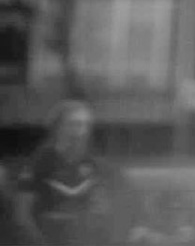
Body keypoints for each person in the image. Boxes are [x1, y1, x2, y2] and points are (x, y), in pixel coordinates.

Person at [11, 101, 120, 246]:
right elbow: (22, 215)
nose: (82, 131)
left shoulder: (94, 165)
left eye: (86, 125)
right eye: (75, 124)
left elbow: (105, 210)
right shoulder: (38, 164)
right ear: (58, 128)